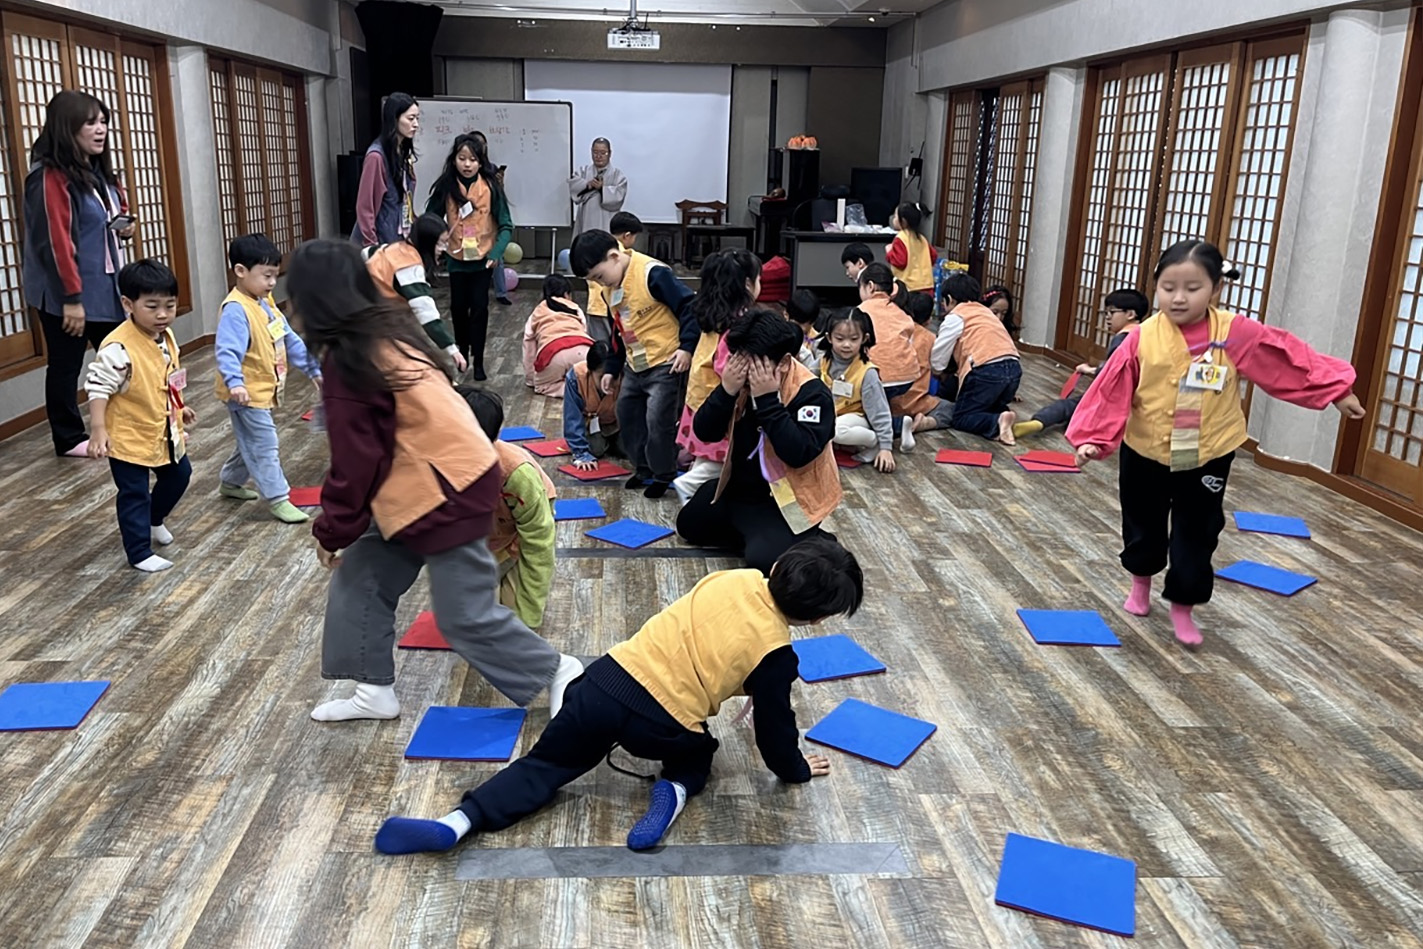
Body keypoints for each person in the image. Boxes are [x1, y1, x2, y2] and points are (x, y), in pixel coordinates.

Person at [373, 537, 861, 856]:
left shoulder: (733, 579)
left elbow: (712, 634)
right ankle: (673, 791)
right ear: (817, 619)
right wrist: (795, 769)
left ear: (775, 565)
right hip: (662, 723)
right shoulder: (778, 656)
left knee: (544, 764)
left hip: (602, 684)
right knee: (698, 754)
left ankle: (458, 821)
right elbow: (774, 731)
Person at [286, 239, 582, 723]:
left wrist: (331, 530)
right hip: (417, 486)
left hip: (447, 490)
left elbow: (355, 462)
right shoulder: (386, 332)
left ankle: (558, 670)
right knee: (362, 576)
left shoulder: (352, 359)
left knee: (462, 614)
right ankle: (372, 691)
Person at [1069, 240, 1365, 648]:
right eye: (1168, 287)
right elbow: (1112, 390)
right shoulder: (1140, 338)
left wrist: (1336, 390)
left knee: (1197, 530)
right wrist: (1093, 440)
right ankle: (1140, 583)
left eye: (1192, 288)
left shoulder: (1235, 332)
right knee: (1143, 523)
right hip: (1147, 450)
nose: (1179, 298)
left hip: (1208, 452)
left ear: (1216, 289)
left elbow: (1286, 359)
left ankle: (1183, 606)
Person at [676, 310, 842, 574]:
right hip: (739, 490)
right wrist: (725, 391)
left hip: (786, 500)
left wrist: (767, 401)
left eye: (753, 365)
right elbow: (705, 432)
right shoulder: (738, 383)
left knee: (765, 562)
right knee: (689, 526)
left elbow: (799, 453)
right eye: (738, 360)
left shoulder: (811, 393)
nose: (743, 371)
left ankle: (807, 538)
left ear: (783, 362)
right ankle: (756, 535)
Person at [23, 90, 135, 458]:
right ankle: (69, 438)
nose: (101, 129)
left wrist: (125, 227)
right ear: (67, 127)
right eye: (91, 122)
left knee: (120, 355)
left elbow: (110, 212)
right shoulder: (48, 177)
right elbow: (54, 242)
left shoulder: (97, 171)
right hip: (66, 291)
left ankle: (125, 423)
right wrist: (71, 300)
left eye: (103, 121)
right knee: (66, 364)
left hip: (104, 285)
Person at [83, 259, 194, 573]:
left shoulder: (166, 336)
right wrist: (99, 429)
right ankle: (139, 551)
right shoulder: (118, 347)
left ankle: (154, 519)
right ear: (128, 304)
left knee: (180, 475)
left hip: (162, 428)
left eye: (170, 306)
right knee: (134, 493)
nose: (163, 315)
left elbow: (166, 376)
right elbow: (98, 387)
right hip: (128, 434)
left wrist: (180, 407)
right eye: (152, 307)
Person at [571, 229, 696, 499]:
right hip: (635, 364)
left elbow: (689, 306)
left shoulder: (652, 273)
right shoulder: (609, 290)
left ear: (614, 256)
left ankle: (663, 474)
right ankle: (643, 468)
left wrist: (687, 347)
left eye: (599, 276)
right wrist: (612, 368)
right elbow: (618, 330)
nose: (600, 283)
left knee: (658, 420)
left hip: (666, 361)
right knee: (626, 414)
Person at [213, 234, 322, 524]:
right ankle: (278, 498)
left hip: (262, 389)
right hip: (245, 393)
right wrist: (235, 382)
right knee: (264, 443)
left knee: (249, 439)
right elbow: (226, 351)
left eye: (275, 275)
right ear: (240, 271)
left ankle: (231, 481)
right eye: (266, 275)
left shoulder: (265, 303)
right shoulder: (236, 309)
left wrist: (313, 370)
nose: (273, 282)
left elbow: (288, 339)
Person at [460, 387, 558, 631]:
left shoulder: (518, 476)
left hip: (516, 532)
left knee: (515, 624)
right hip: (481, 535)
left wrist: (529, 616)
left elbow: (539, 545)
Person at [674, 249, 762, 504]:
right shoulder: (739, 326)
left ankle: (695, 500)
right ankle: (689, 486)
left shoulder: (713, 316)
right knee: (723, 461)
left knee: (708, 458)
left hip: (700, 402)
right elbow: (728, 369)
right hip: (718, 409)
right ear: (748, 284)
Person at [426, 133, 513, 380]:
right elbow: (430, 219)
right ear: (454, 159)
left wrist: (496, 253)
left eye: (472, 159)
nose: (467, 164)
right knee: (457, 308)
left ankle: (479, 360)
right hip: (456, 259)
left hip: (483, 260)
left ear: (480, 162)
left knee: (480, 309)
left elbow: (506, 225)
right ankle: (462, 353)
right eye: (462, 158)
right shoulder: (446, 186)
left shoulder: (490, 187)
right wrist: (435, 242)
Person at [1013, 288, 1149, 440]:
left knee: (1069, 406)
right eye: (1106, 312)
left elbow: (1113, 373)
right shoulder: (1146, 335)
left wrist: (1089, 370)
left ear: (1130, 314)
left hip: (1119, 400)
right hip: (1143, 400)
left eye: (1112, 312)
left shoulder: (1122, 339)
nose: (1107, 317)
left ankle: (1038, 422)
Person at [361, 212, 466, 371]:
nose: (443, 249)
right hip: (371, 320)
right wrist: (452, 350)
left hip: (365, 311)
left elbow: (366, 253)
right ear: (427, 242)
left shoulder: (395, 248)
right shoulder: (410, 267)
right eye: (440, 243)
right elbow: (426, 313)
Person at [931, 271, 1022, 444]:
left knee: (961, 418)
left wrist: (937, 372)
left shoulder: (956, 317)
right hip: (1014, 369)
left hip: (986, 369)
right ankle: (1002, 417)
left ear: (949, 299)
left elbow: (938, 359)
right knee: (988, 405)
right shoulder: (986, 313)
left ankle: (996, 421)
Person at [819, 308, 896, 473]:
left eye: (853, 339)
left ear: (864, 339)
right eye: (840, 339)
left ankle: (874, 441)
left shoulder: (867, 373)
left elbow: (880, 411)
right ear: (829, 337)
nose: (846, 344)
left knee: (836, 430)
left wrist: (886, 447)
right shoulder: (823, 362)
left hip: (857, 417)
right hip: (832, 414)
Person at [856, 264, 923, 451]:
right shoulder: (900, 312)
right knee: (879, 403)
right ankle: (902, 424)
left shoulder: (860, 311)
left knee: (863, 415)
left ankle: (898, 425)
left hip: (879, 377)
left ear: (870, 286)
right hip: (907, 377)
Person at [352, 92, 419, 247]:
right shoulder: (376, 157)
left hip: (399, 236)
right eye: (410, 119)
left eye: (417, 118)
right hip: (380, 241)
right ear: (394, 119)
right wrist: (372, 244)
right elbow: (365, 206)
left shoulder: (402, 152)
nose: (416, 124)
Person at [892, 292, 956, 435]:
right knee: (952, 409)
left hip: (889, 402)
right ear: (928, 320)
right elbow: (939, 368)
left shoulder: (892, 331)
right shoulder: (930, 338)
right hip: (917, 403)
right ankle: (926, 422)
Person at [521, 274, 594, 397]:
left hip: (553, 352)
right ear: (566, 294)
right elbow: (584, 330)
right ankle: (586, 388)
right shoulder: (575, 308)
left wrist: (531, 378)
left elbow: (528, 345)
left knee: (542, 386)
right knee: (589, 380)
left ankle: (573, 390)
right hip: (583, 349)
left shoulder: (537, 311)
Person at [564, 342, 623, 469]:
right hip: (590, 424)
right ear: (590, 372)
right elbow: (572, 417)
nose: (609, 383)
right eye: (601, 377)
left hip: (618, 425)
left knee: (629, 450)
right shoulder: (576, 377)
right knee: (596, 449)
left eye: (614, 377)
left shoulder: (627, 375)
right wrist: (581, 453)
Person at [584, 211, 644, 324]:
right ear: (627, 235)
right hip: (608, 307)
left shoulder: (600, 247)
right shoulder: (621, 255)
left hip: (595, 305)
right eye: (635, 237)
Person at [569, 138, 627, 236]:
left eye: (603, 153)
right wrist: (588, 185)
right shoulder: (583, 172)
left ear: (610, 153)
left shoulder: (617, 175)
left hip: (608, 221)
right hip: (587, 220)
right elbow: (574, 188)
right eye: (595, 152)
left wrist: (602, 189)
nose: (598, 156)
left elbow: (619, 197)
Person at [886, 202, 938, 294]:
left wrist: (889, 252)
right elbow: (933, 256)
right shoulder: (922, 238)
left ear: (903, 221)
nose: (893, 219)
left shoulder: (901, 237)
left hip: (909, 288)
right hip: (927, 285)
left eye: (895, 216)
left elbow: (900, 262)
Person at [787, 288, 823, 371]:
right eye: (798, 323)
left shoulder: (818, 341)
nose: (799, 329)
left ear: (813, 323)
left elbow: (818, 369)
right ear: (786, 315)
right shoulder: (780, 334)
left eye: (803, 324)